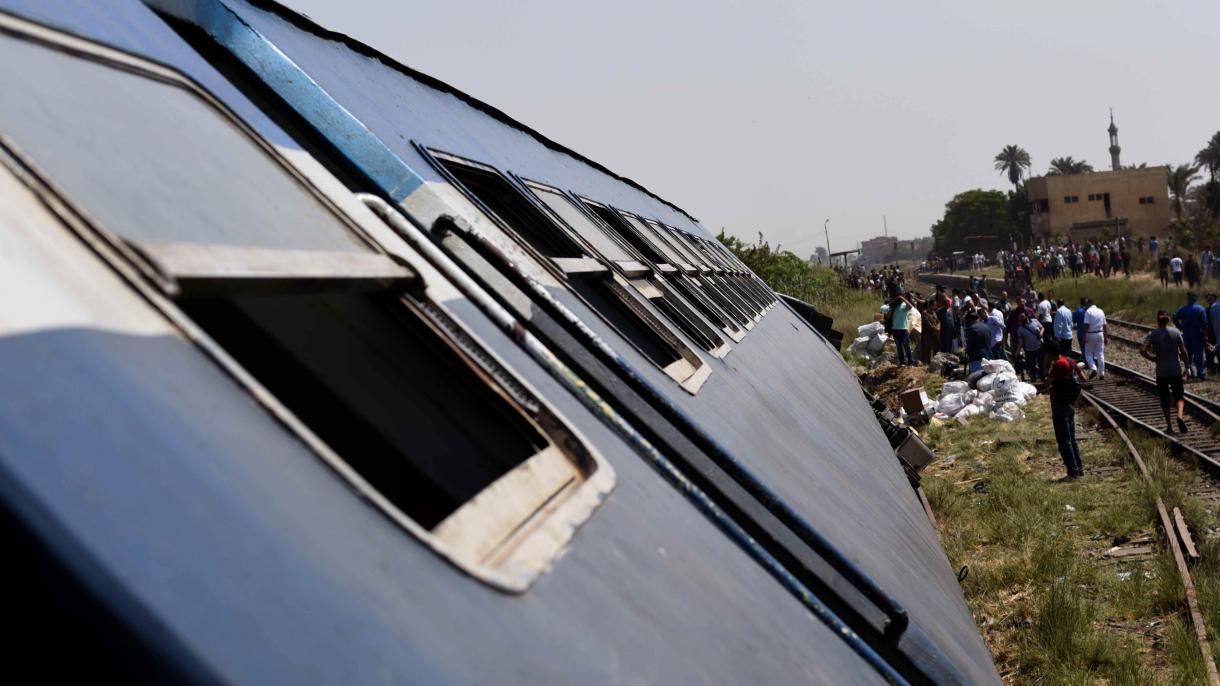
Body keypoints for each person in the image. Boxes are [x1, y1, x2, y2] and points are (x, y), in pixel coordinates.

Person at [1141, 310, 1191, 434]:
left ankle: (1169, 426)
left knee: (1164, 399)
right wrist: (1187, 367)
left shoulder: (1152, 334)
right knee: (1179, 396)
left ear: (1157, 320)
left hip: (1161, 371)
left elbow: (1142, 350)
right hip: (1175, 370)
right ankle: (1179, 416)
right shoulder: (1176, 332)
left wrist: (1153, 359)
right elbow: (1184, 351)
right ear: (1168, 319)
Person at [1045, 340, 1085, 480]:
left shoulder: (1058, 364)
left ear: (1049, 354)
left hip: (1059, 405)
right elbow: (1083, 378)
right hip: (1070, 403)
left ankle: (1072, 472)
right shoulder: (1069, 360)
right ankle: (1078, 469)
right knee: (1071, 438)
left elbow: (1047, 383)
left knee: (1063, 440)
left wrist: (1047, 366)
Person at [1173, 292, 1207, 380]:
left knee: (1188, 354)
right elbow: (1205, 323)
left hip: (1186, 334)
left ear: (1188, 299)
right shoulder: (1200, 309)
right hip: (1197, 334)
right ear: (1195, 299)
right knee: (1199, 354)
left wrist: (1179, 327)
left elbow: (1174, 317)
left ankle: (1191, 372)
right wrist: (1205, 334)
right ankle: (1201, 373)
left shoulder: (1183, 309)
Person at [1083, 298, 1107, 380]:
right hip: (1100, 334)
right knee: (1100, 354)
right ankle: (1102, 374)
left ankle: (1093, 368)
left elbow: (1086, 325)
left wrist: (1085, 336)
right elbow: (1104, 325)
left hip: (1091, 334)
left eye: (1086, 304)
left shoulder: (1088, 311)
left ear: (1089, 304)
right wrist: (1106, 337)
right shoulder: (1101, 311)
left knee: (1088, 353)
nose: (1085, 306)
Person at [1017, 313, 1045, 381]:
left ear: (1026, 316)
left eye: (1022, 316)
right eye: (1020, 317)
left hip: (1039, 347)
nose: (1021, 318)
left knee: (1042, 364)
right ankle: (1033, 379)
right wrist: (1017, 352)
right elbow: (1020, 342)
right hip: (1029, 350)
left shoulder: (1035, 321)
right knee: (1031, 367)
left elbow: (1042, 327)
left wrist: (1041, 333)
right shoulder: (1020, 329)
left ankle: (1043, 378)